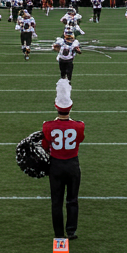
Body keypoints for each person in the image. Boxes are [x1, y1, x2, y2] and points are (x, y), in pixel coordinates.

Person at [42, 77, 84, 239]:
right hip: (73, 165)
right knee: (72, 200)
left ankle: (59, 234)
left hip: (56, 166)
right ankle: (71, 231)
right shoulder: (79, 125)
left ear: (56, 106)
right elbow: (80, 139)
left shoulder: (48, 126)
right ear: (70, 107)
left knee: (56, 202)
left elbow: (45, 146)